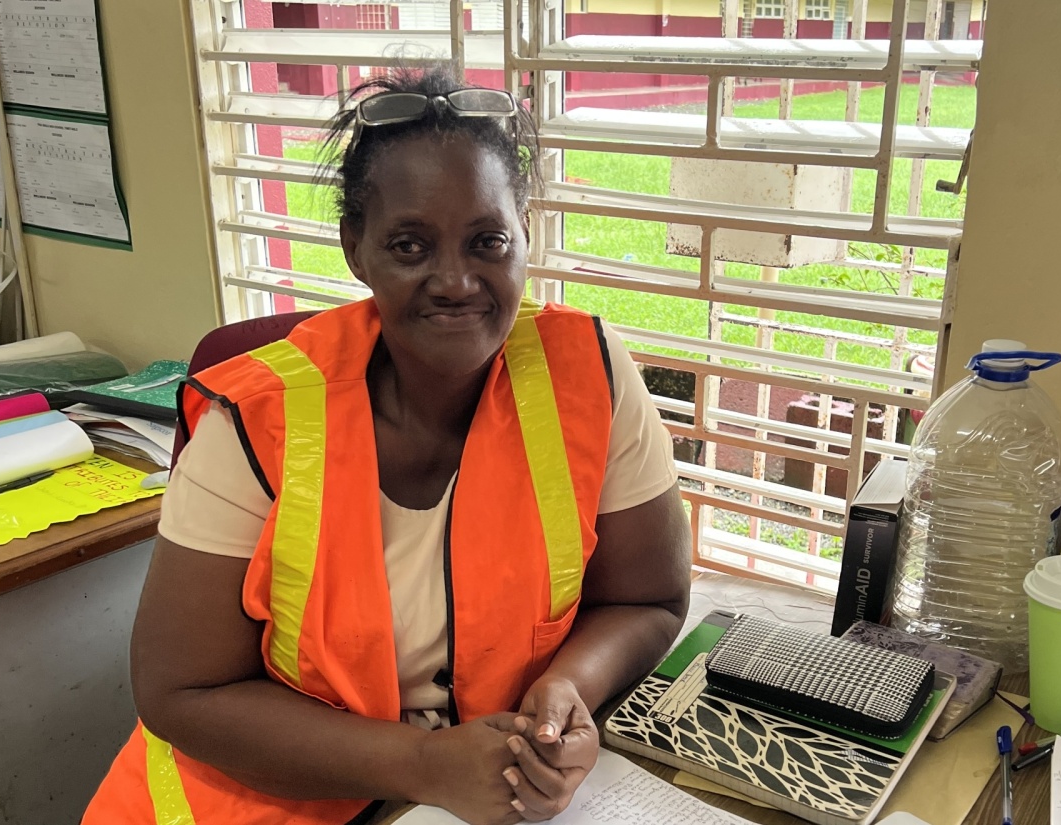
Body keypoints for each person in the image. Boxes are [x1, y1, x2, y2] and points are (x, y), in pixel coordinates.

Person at [83, 64, 691, 825]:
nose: (456, 280)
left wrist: (569, 687)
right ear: (355, 249)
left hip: (482, 790)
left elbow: (648, 598)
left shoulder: (588, 374)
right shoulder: (254, 421)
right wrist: (423, 765)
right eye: (409, 246)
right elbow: (180, 691)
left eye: (488, 241)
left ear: (525, 234)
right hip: (258, 801)